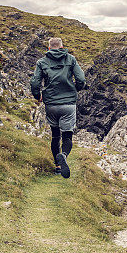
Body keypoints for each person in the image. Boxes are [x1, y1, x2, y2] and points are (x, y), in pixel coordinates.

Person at [30, 37, 86, 178]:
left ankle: (58, 166)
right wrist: (75, 90)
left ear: (49, 48)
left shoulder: (42, 62)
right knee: (67, 135)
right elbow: (81, 80)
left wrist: (38, 96)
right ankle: (64, 155)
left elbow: (35, 82)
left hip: (51, 105)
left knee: (55, 135)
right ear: (62, 47)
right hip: (68, 104)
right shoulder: (71, 59)